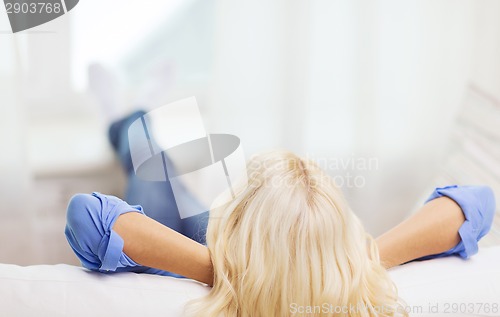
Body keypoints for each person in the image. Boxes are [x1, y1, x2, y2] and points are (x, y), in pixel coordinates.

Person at [65, 138, 495, 316]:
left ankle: (129, 120)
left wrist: (231, 273)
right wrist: (348, 263)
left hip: (207, 244)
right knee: (170, 179)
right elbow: (478, 202)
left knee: (152, 165)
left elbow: (87, 216)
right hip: (227, 243)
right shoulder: (345, 277)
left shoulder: (223, 265)